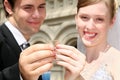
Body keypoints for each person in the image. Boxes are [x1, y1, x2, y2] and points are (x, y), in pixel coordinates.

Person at [55, 0, 120, 80]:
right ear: (76, 19)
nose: (90, 26)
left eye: (99, 19)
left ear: (111, 22)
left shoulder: (117, 62)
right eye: (84, 17)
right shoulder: (76, 61)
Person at [0, 0, 55, 80]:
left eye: (41, 6)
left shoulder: (26, 44)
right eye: (28, 7)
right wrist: (21, 75)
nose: (37, 15)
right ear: (8, 7)